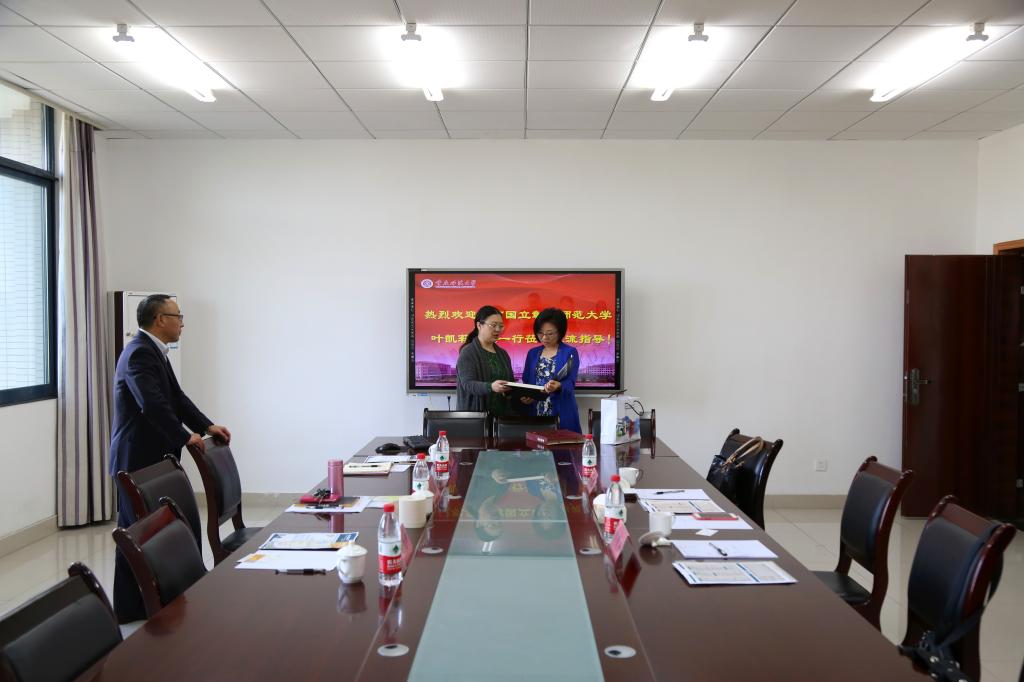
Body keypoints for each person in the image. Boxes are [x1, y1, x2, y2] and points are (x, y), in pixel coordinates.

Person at [108, 294, 231, 622]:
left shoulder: (154, 352)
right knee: (136, 533)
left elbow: (176, 398)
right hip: (136, 460)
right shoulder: (139, 353)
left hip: (151, 458)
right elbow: (152, 404)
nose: (182, 323)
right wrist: (183, 436)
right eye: (178, 316)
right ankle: (130, 609)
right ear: (160, 319)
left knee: (152, 533)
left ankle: (152, 602)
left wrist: (205, 426)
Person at [521, 307, 582, 433]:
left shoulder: (569, 352)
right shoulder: (532, 353)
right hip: (536, 409)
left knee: (563, 444)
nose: (544, 338)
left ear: (560, 332)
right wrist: (527, 395)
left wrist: (559, 385)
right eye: (540, 333)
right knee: (536, 443)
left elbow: (570, 382)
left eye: (550, 334)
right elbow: (526, 380)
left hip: (561, 410)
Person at [455, 305, 514, 416]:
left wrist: (521, 394)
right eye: (493, 325)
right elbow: (467, 384)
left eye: (501, 326)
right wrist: (490, 387)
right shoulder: (468, 352)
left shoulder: (503, 354)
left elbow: (510, 382)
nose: (498, 330)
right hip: (476, 417)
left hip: (501, 417)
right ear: (479, 325)